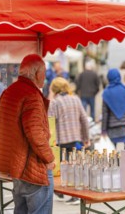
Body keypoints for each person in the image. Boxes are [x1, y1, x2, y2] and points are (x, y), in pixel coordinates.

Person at [0, 54, 55, 213]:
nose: (45, 76)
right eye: (44, 72)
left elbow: (1, 126)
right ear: (37, 73)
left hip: (16, 167)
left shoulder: (9, 92)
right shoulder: (31, 95)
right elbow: (35, 133)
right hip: (33, 168)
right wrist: (49, 157)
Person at [48, 77, 90, 205]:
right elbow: (84, 119)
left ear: (54, 89)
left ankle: (60, 191)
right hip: (76, 139)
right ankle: (76, 195)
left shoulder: (55, 102)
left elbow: (50, 122)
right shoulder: (75, 99)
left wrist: (50, 141)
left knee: (61, 168)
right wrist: (86, 138)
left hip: (61, 140)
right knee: (75, 166)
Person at [102, 68, 125, 148]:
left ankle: (117, 161)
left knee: (114, 154)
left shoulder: (106, 93)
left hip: (113, 129)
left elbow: (105, 113)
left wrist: (103, 130)